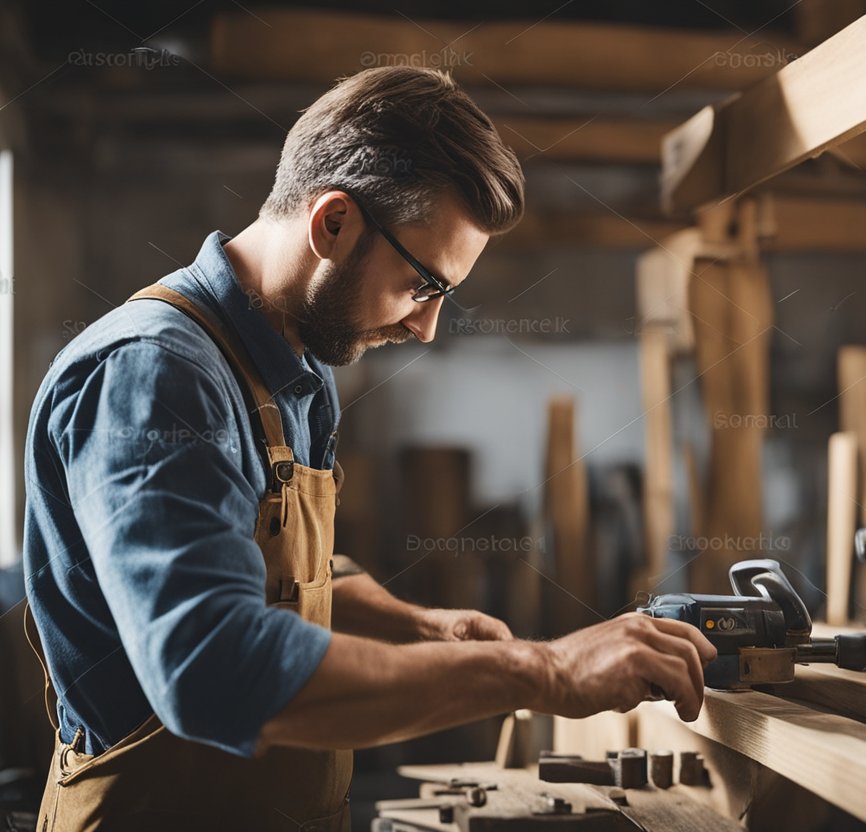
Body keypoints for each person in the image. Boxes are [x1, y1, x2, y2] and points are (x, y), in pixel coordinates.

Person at [22, 66, 714, 831]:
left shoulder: (297, 365)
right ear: (333, 224)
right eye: (422, 285)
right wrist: (541, 671)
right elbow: (211, 669)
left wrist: (418, 628)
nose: (425, 329)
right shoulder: (158, 375)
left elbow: (278, 580)